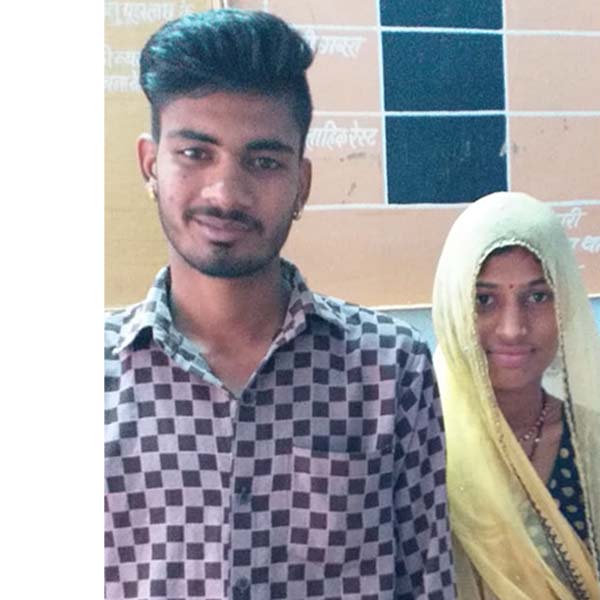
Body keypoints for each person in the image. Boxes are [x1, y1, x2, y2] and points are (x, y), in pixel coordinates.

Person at [104, 9, 455, 600]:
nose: (226, 193)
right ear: (150, 164)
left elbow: (428, 583)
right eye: (195, 153)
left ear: (302, 184)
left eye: (264, 161)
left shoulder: (391, 371)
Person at [431, 192, 600, 599]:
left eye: (537, 297)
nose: (512, 328)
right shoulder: (416, 448)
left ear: (565, 303)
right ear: (452, 307)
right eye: (483, 300)